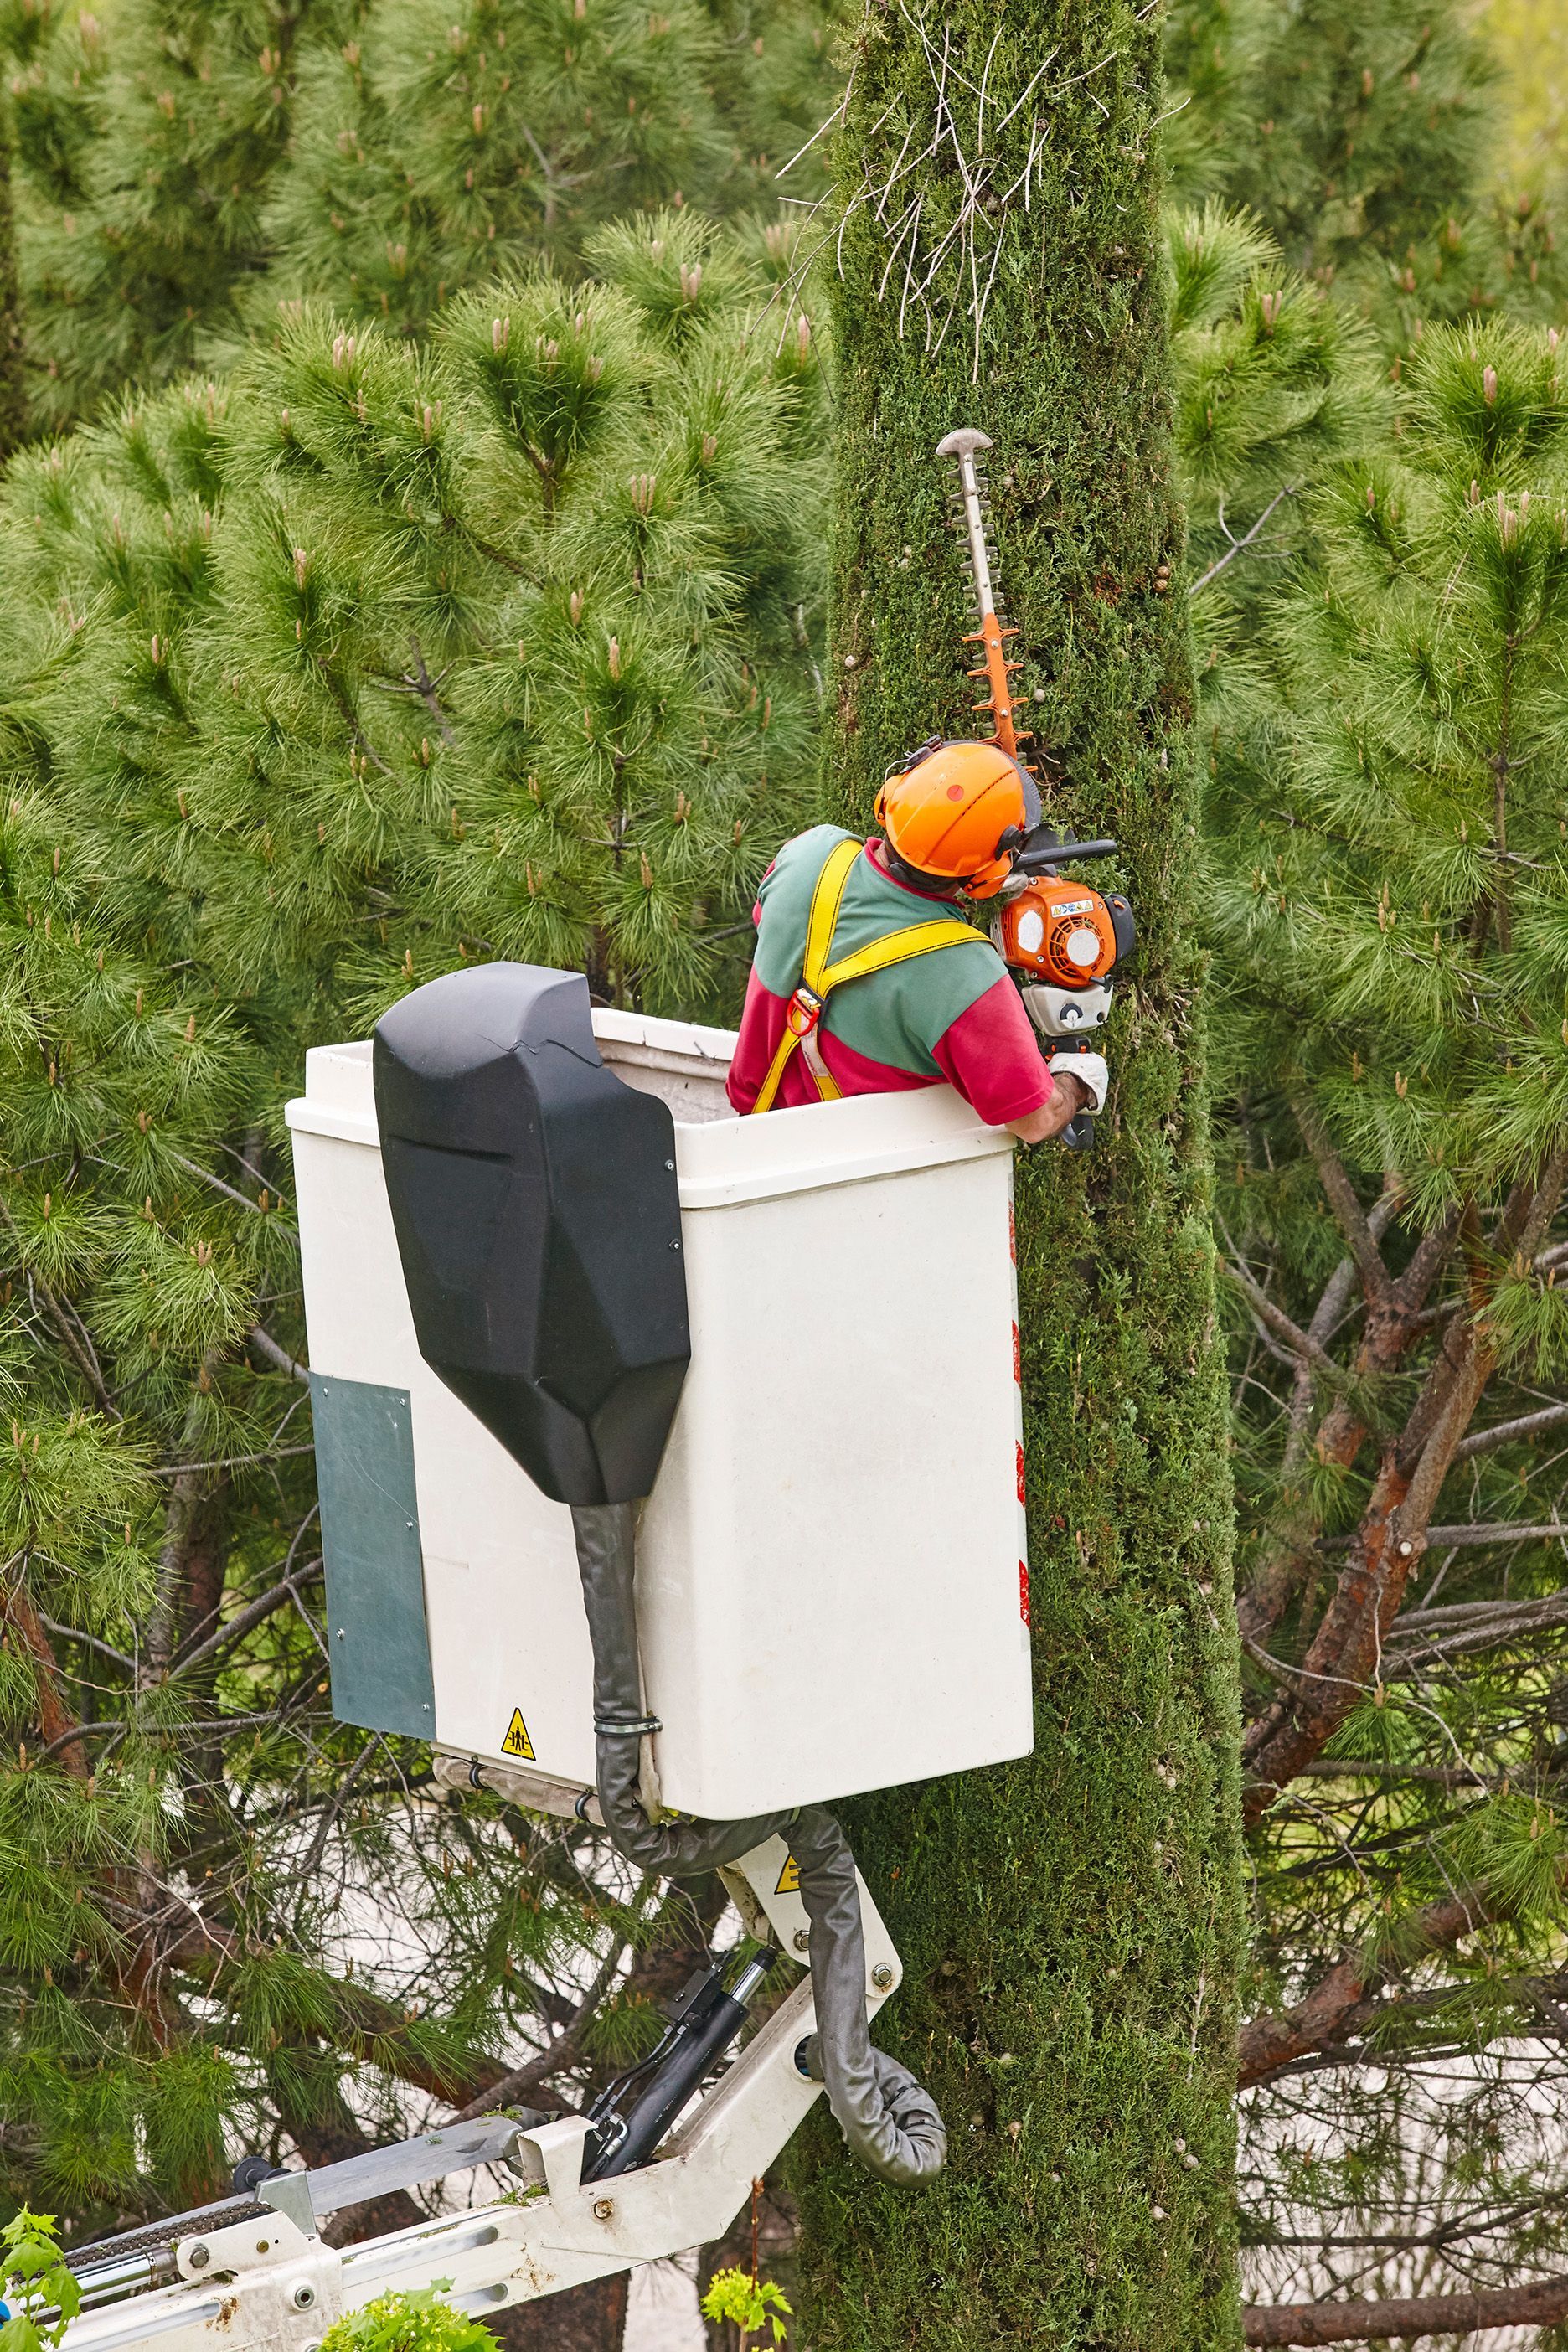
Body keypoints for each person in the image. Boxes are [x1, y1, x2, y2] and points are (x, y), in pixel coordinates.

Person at [725, 738, 1108, 1142]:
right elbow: (1033, 1121)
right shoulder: (966, 975)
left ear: (895, 794)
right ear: (987, 873)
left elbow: (780, 929)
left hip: (752, 1135)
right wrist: (1075, 1084)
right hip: (849, 1175)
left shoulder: (808, 855)